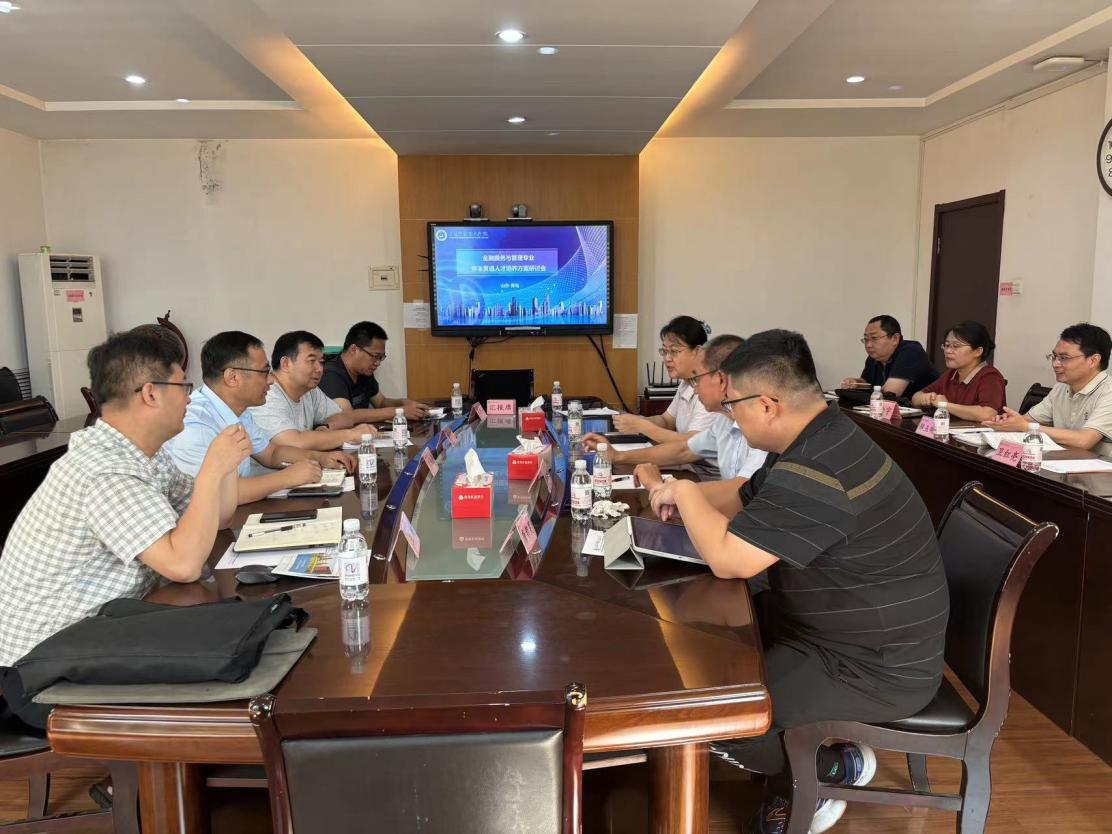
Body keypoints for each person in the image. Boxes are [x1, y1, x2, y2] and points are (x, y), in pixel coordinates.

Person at [652, 329, 948, 834]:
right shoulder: (821, 434)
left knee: (717, 712)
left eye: (734, 405)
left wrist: (683, 492)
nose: (730, 416)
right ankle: (800, 761)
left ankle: (828, 772)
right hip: (844, 630)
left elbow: (730, 560)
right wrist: (673, 494)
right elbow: (743, 496)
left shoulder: (817, 468)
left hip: (872, 665)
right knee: (706, 649)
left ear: (767, 405)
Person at [0, 331, 251, 724]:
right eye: (183, 386)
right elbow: (183, 564)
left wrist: (228, 463)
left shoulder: (143, 456)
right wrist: (211, 470)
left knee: (227, 636)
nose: (189, 398)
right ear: (150, 394)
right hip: (44, 670)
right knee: (222, 673)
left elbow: (216, 516)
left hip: (93, 639)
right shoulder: (104, 470)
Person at [167, 331, 356, 505]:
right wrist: (287, 477)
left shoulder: (239, 409)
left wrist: (321, 458)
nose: (271, 380)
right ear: (232, 377)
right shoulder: (195, 425)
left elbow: (271, 454)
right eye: (264, 372)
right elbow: (217, 495)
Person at [580, 335, 766, 485]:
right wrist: (618, 456)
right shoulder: (723, 421)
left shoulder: (760, 427)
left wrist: (664, 489)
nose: (694, 389)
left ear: (721, 379)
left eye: (696, 379)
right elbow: (683, 450)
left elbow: (741, 493)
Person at [984, 322, 1112, 455]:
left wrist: (1025, 426)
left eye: (1064, 358)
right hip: (1063, 461)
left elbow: (1084, 440)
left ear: (1093, 360)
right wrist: (1008, 421)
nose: (1055, 364)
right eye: (1054, 357)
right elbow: (1029, 420)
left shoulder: (1108, 392)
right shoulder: (1061, 387)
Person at [249, 330, 376, 451]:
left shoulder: (309, 390)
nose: (319, 369)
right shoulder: (266, 394)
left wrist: (326, 427)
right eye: (311, 361)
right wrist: (351, 435)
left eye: (321, 362)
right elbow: (293, 442)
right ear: (286, 363)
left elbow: (344, 417)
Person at [610, 316, 719, 443]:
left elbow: (692, 445)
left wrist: (642, 426)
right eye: (664, 351)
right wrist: (635, 421)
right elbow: (666, 420)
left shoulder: (710, 389)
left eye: (674, 351)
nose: (667, 358)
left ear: (698, 351)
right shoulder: (686, 383)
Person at [319, 321, 429, 422]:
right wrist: (400, 411)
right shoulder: (330, 374)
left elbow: (381, 402)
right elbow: (347, 415)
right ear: (354, 350)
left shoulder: (364, 371)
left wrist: (404, 403)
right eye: (375, 356)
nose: (378, 363)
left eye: (381, 357)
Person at [910, 320, 1007, 421]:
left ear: (977, 351)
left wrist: (944, 405)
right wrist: (928, 398)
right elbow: (915, 398)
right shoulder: (951, 374)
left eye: (956, 346)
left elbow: (987, 414)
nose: (948, 351)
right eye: (946, 345)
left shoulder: (990, 376)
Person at [842, 314, 938, 399]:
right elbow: (867, 382)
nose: (868, 345)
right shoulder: (874, 357)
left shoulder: (911, 351)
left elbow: (890, 394)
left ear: (895, 338)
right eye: (866, 339)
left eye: (874, 338)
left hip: (927, 410)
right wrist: (855, 383)